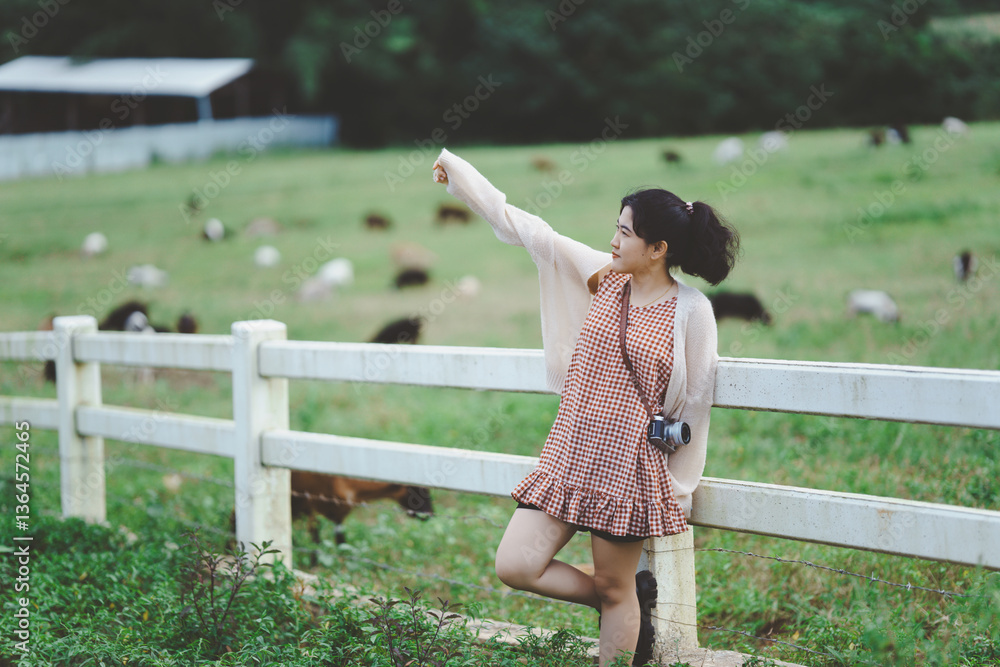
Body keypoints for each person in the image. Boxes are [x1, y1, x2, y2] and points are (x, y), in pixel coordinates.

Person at [432, 149, 739, 667]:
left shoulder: (692, 312)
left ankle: (622, 612)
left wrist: (679, 489)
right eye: (615, 227)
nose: (614, 240)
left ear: (658, 248)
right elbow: (532, 232)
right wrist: (460, 177)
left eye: (625, 232)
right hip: (570, 452)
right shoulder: (605, 277)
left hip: (629, 469)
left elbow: (694, 409)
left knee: (613, 586)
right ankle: (628, 604)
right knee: (516, 565)